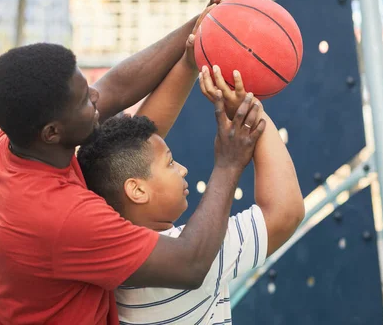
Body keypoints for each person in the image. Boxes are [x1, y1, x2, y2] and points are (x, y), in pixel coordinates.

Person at [0, 0, 267, 325]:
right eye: (85, 100)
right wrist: (229, 163)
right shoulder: (60, 216)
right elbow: (190, 264)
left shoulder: (13, 145)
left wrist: (194, 36)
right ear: (52, 132)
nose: (97, 97)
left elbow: (115, 87)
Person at [77, 64, 305, 324]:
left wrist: (189, 60)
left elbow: (128, 156)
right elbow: (286, 212)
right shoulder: (191, 256)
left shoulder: (110, 260)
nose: (182, 170)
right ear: (137, 190)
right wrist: (252, 115)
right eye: (170, 162)